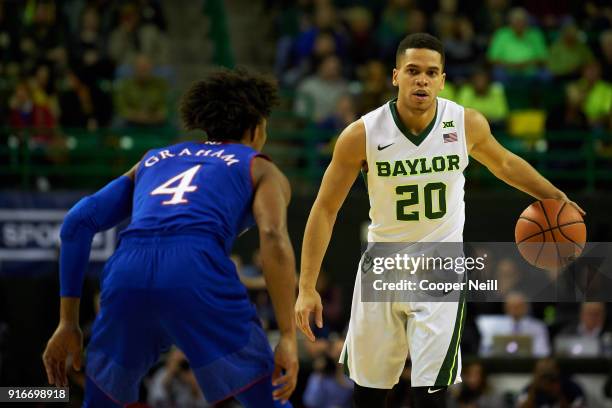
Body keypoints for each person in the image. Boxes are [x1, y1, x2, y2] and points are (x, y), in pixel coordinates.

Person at [294, 33, 584, 408]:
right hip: (382, 266)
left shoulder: (464, 123)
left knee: (431, 394)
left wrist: (554, 195)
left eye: (431, 72)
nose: (422, 80)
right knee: (370, 393)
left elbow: (506, 163)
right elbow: (324, 209)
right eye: (413, 71)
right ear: (396, 76)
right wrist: (305, 286)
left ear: (443, 80)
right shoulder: (362, 134)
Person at [42, 68, 299, 407]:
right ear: (257, 127)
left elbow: (77, 222)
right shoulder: (259, 166)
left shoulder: (153, 159)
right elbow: (271, 235)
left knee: (103, 400)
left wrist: (68, 322)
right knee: (269, 396)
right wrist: (289, 337)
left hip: (128, 268)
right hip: (195, 266)